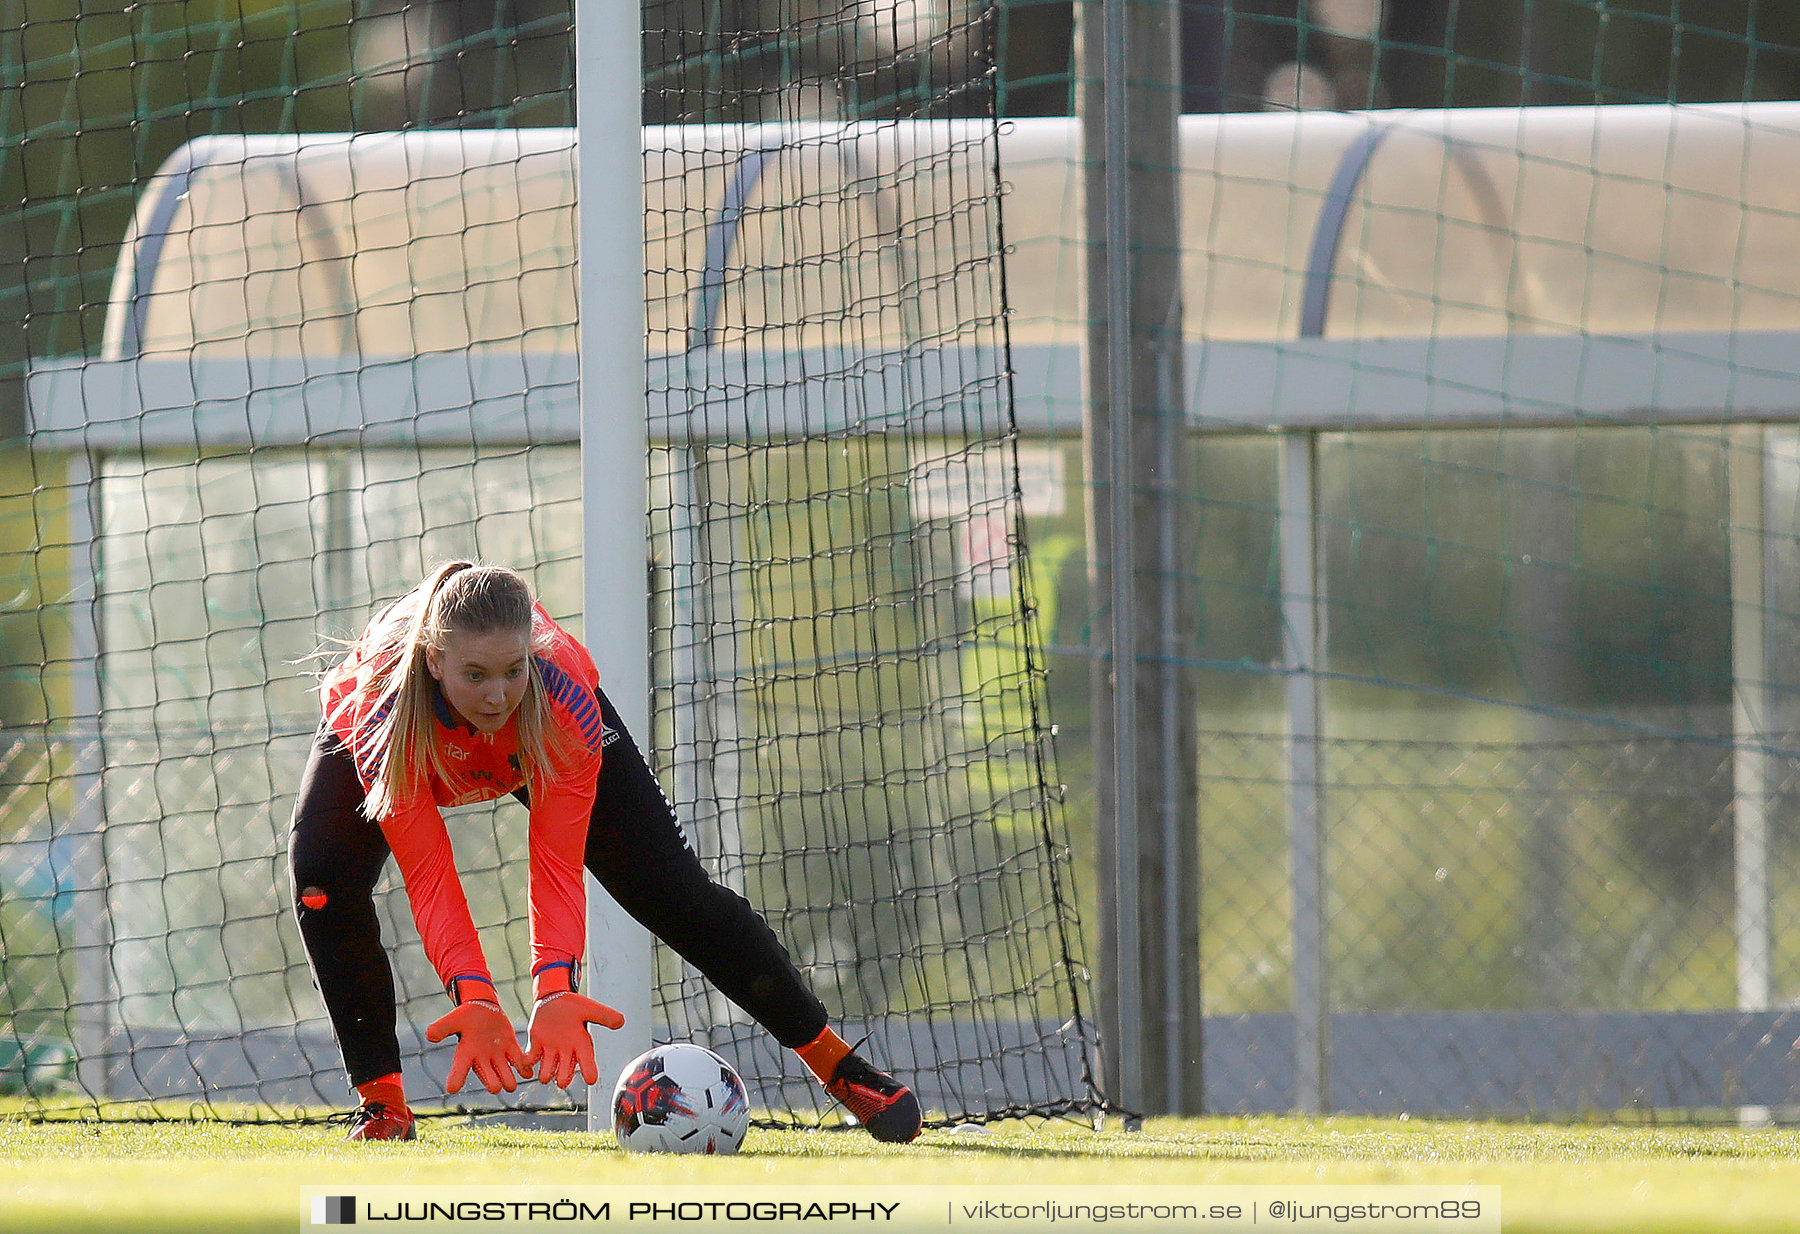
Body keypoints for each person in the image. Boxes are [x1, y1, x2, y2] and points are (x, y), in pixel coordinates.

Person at [288, 560, 921, 1143]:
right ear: (432, 662)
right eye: (474, 675)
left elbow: (556, 864)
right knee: (322, 885)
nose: (496, 696)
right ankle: (384, 1105)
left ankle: (841, 1069)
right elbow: (430, 875)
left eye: (513, 671)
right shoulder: (380, 712)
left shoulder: (563, 702)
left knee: (672, 895)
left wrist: (555, 988)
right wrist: (474, 997)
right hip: (406, 743)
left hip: (541, 748)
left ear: (531, 655)